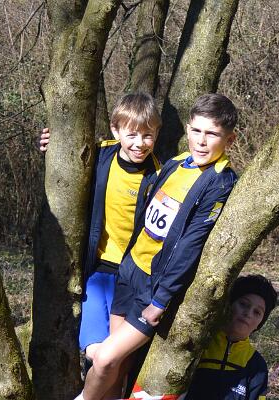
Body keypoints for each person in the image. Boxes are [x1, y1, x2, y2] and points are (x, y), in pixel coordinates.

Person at [78, 93, 239, 400]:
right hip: (128, 271)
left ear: (229, 140)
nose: (201, 141)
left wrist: (161, 299)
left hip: (153, 288)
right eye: (196, 130)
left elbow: (190, 245)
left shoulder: (219, 182)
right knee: (117, 368)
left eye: (212, 134)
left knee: (105, 359)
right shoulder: (176, 164)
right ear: (187, 129)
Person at [40, 92, 161, 390]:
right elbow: (68, 162)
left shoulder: (160, 176)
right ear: (115, 130)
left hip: (132, 279)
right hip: (96, 273)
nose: (140, 143)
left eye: (148, 135)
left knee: (118, 362)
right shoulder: (99, 155)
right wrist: (51, 147)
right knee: (96, 352)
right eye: (132, 134)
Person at [181, 274, 277, 400]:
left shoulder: (257, 366)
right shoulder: (198, 345)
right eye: (243, 304)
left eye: (257, 312)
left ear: (260, 324)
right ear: (228, 305)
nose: (248, 313)